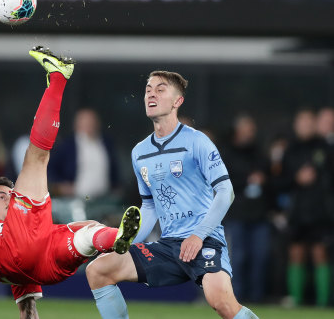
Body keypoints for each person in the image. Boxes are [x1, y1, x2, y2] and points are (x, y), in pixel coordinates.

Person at [0, 46, 141, 319]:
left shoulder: (9, 246)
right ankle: (59, 78)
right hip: (22, 249)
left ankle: (116, 238)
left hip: (46, 264)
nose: (10, 196)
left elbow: (28, 309)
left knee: (86, 231)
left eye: (9, 193)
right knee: (36, 158)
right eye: (2, 195)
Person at [85, 71, 259, 319]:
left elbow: (225, 192)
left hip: (205, 241)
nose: (151, 94)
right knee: (99, 270)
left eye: (160, 89)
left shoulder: (197, 142)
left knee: (221, 302)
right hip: (169, 246)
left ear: (178, 101)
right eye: (148, 89)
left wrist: (198, 235)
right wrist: (128, 243)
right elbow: (149, 206)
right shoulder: (140, 152)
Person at [281, 109, 333, 307]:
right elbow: (280, 181)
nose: (305, 126)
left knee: (320, 253)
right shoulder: (290, 150)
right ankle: (295, 299)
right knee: (296, 253)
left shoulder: (325, 148)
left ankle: (323, 302)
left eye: (309, 122)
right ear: (296, 125)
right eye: (301, 122)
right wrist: (296, 179)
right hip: (297, 212)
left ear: (315, 124)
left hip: (320, 211)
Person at [221, 114, 272, 303]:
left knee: (260, 256)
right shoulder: (226, 153)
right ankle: (237, 296)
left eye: (252, 129)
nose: (250, 133)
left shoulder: (260, 152)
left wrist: (263, 181)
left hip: (259, 214)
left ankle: (258, 297)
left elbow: (271, 178)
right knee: (238, 257)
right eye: (247, 129)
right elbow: (222, 182)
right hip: (237, 213)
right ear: (238, 130)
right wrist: (246, 181)